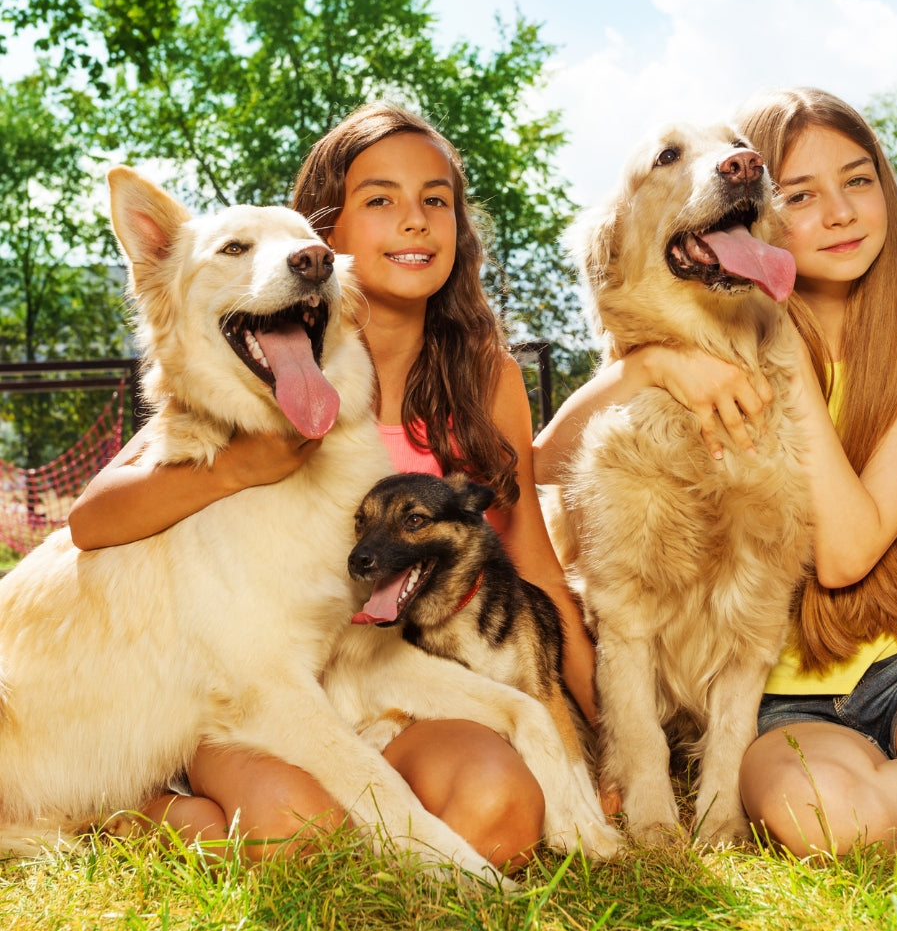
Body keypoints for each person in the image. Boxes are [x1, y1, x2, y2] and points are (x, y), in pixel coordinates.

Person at [533, 86, 897, 874]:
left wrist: (778, 344)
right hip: (783, 703)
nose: (842, 212)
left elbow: (846, 552)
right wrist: (651, 363)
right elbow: (542, 463)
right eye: (800, 193)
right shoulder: (699, 333)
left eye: (859, 181)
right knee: (830, 824)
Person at [69, 101, 598, 871]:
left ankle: (326, 809)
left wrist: (606, 739)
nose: (414, 220)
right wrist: (243, 464)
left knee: (499, 814)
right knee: (296, 833)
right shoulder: (254, 372)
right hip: (256, 688)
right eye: (380, 200)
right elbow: (92, 518)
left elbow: (537, 571)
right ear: (326, 238)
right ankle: (147, 810)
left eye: (436, 201)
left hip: (393, 679)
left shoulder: (487, 377)